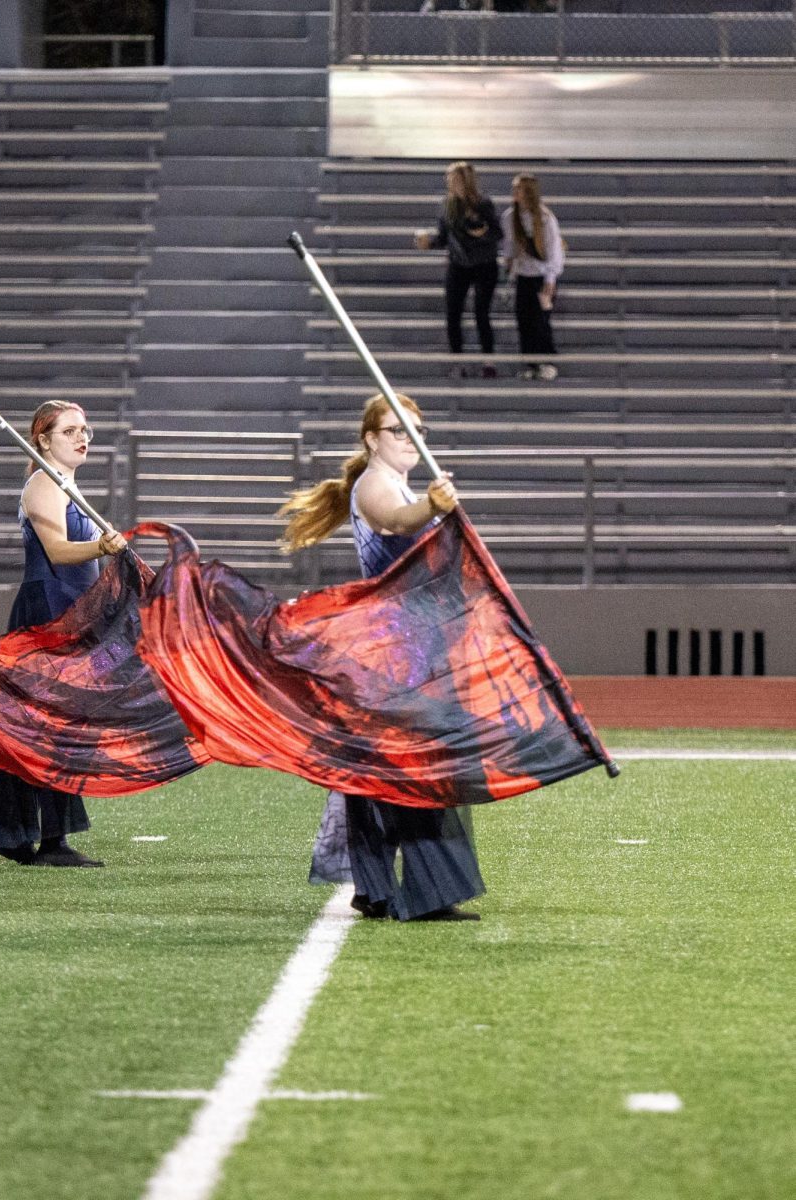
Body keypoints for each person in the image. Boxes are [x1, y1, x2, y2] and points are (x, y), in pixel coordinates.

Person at [280, 393, 485, 921]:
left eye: (417, 432)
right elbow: (396, 522)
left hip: (409, 640)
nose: (409, 441)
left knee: (384, 766)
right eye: (398, 431)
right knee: (421, 764)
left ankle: (375, 886)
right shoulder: (376, 484)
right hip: (400, 647)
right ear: (371, 438)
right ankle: (427, 888)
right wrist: (432, 509)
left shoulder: (394, 480)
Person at [0, 400, 127, 867]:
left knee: (49, 725)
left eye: (86, 430)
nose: (82, 438)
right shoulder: (43, 484)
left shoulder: (66, 483)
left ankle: (15, 833)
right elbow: (58, 552)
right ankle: (48, 839)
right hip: (47, 608)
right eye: (70, 431)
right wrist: (100, 545)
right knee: (49, 725)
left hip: (72, 609)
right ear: (42, 440)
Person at [415, 161, 502, 377]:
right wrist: (430, 243)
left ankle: (488, 361)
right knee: (453, 314)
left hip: (484, 264)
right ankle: (458, 362)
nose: (450, 183)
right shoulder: (448, 205)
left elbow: (498, 233)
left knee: (482, 313)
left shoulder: (483, 204)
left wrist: (479, 234)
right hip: (459, 264)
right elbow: (443, 237)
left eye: (453, 179)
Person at [502, 172, 564, 381]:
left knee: (540, 320)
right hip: (523, 276)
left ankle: (547, 360)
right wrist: (509, 266)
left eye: (519, 189)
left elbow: (554, 251)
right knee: (524, 319)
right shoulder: (510, 217)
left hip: (541, 277)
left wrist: (550, 279)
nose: (515, 193)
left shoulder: (545, 219)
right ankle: (530, 361)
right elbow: (509, 247)